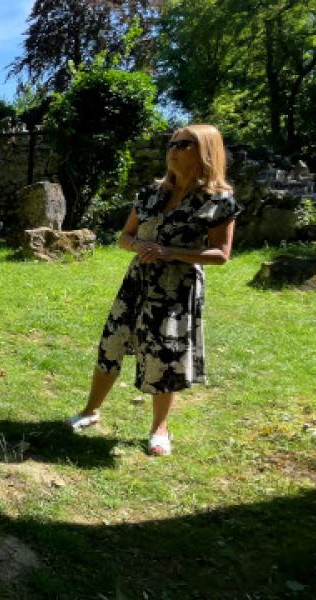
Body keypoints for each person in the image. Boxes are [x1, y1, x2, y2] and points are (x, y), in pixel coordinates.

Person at [66, 124, 242, 456]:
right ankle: (90, 411)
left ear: (205, 149)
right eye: (171, 143)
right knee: (112, 343)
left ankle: (159, 429)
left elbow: (221, 254)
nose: (173, 149)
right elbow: (124, 237)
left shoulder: (218, 201)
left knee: (166, 355)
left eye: (183, 144)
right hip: (138, 281)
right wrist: (141, 246)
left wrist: (170, 252)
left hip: (176, 289)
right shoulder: (151, 193)